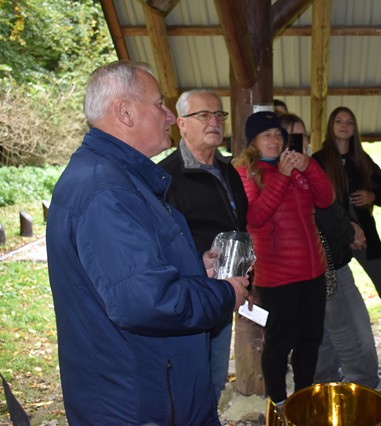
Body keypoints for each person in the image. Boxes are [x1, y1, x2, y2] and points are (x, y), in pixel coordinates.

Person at [46, 61, 250, 425]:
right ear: (124, 112)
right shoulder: (105, 190)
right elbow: (147, 302)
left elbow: (135, 272)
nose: (170, 117)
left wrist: (195, 269)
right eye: (159, 104)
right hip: (138, 403)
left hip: (154, 388)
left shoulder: (119, 178)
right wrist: (224, 294)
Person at [278, 113, 381, 392]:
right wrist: (348, 230)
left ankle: (330, 382)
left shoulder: (312, 167)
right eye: (291, 137)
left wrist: (351, 226)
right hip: (316, 265)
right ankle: (362, 386)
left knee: (332, 328)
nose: (298, 142)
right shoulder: (281, 176)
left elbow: (329, 204)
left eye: (302, 136)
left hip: (334, 259)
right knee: (343, 329)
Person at [232, 111, 334, 406]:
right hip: (277, 275)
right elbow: (255, 217)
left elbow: (326, 199)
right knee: (278, 342)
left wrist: (309, 166)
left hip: (313, 270)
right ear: (253, 141)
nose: (275, 140)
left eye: (278, 134)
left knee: (311, 338)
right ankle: (277, 402)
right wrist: (282, 177)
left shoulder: (296, 165)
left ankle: (303, 396)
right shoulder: (247, 172)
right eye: (267, 135)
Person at [158, 89, 248, 407]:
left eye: (219, 114)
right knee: (189, 384)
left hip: (224, 292)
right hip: (189, 297)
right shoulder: (167, 177)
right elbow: (161, 245)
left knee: (215, 379)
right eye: (204, 115)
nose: (215, 121)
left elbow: (240, 224)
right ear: (181, 124)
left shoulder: (227, 170)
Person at [313, 106, 381, 372]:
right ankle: (332, 365)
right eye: (339, 121)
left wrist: (372, 196)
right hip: (333, 241)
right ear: (331, 126)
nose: (344, 126)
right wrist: (346, 230)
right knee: (333, 303)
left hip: (366, 237)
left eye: (349, 122)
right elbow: (317, 205)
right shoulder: (319, 160)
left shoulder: (361, 158)